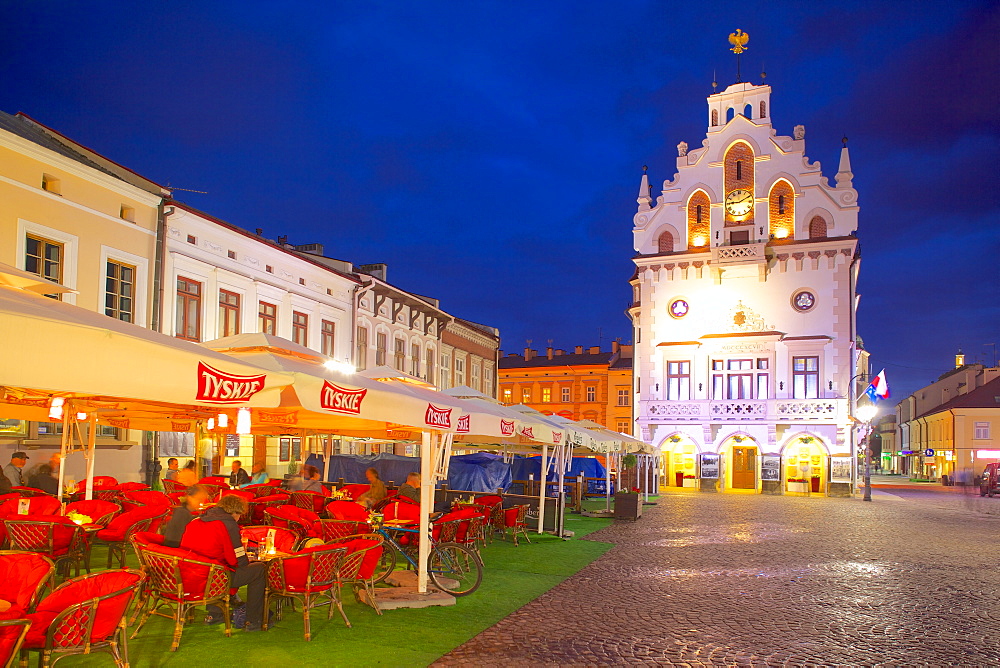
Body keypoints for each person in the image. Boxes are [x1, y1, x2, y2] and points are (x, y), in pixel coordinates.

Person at [180, 494, 267, 632]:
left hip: (189, 574)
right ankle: (253, 620)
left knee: (215, 564)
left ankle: (214, 614)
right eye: (240, 515)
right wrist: (250, 560)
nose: (239, 519)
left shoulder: (196, 521)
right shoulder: (228, 524)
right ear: (235, 512)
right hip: (214, 577)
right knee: (259, 570)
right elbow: (237, 560)